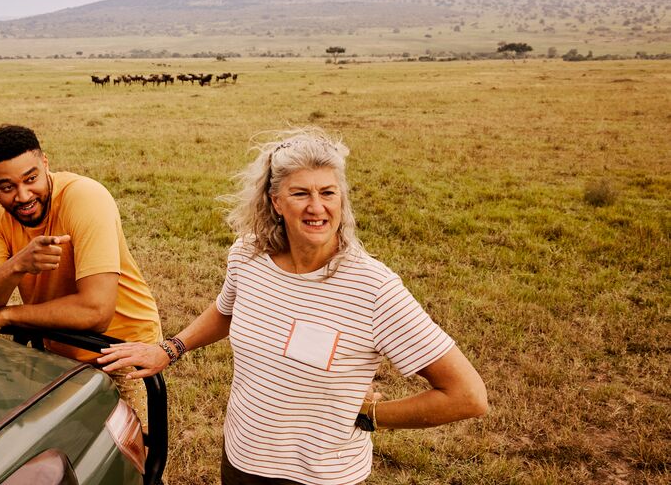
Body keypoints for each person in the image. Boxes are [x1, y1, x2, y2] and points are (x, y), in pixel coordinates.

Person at [99, 127, 488, 485]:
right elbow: (225, 311)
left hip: (320, 475)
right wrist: (171, 348)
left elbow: (467, 395)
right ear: (276, 202)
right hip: (240, 459)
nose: (316, 207)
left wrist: (370, 416)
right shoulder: (249, 256)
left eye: (328, 193)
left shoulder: (373, 288)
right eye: (301, 193)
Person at [0, 124, 162, 429]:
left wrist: (6, 315)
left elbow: (97, 312)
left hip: (122, 350)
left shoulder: (85, 197)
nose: (23, 195)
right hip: (57, 348)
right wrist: (18, 265)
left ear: (46, 164)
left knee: (128, 461)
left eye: (31, 179)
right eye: (7, 187)